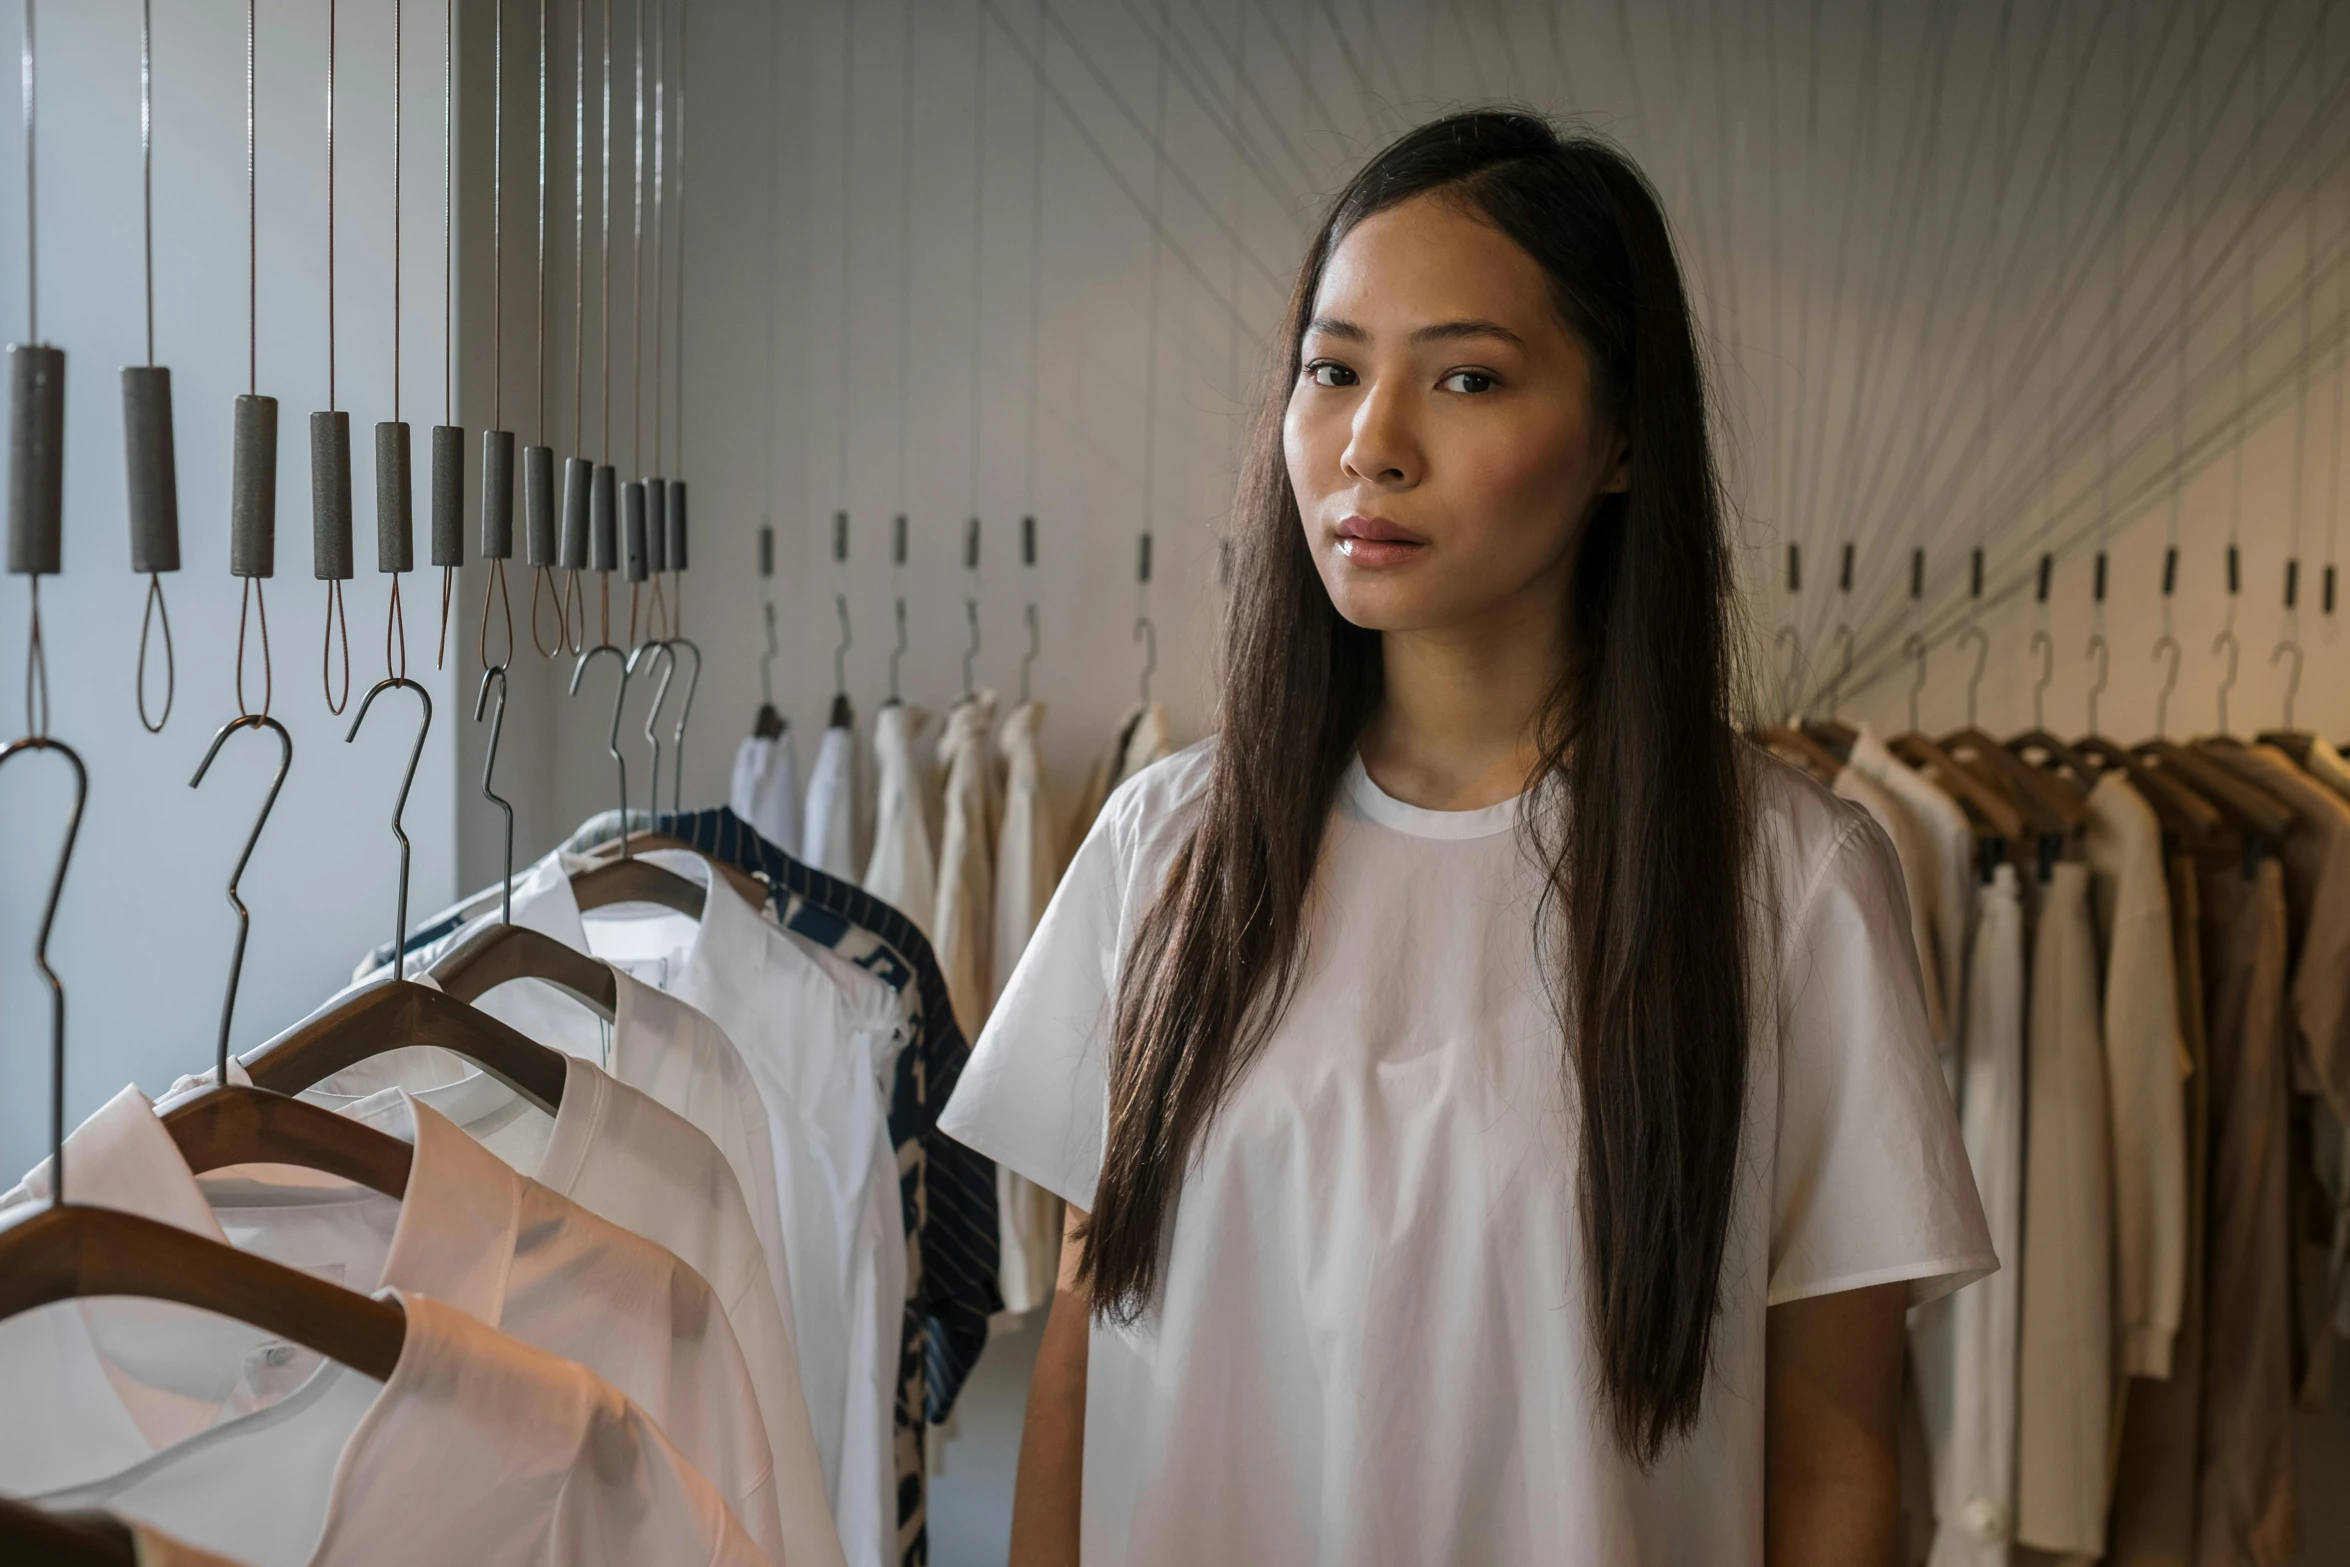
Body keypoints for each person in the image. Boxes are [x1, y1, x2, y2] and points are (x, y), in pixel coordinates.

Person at [939, 110, 1992, 1567]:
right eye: (1331, 369)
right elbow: (1080, 1341)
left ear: (1620, 437)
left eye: (1467, 377)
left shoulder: (1783, 881)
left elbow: (1833, 1467)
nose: (1370, 444)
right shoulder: (1163, 845)